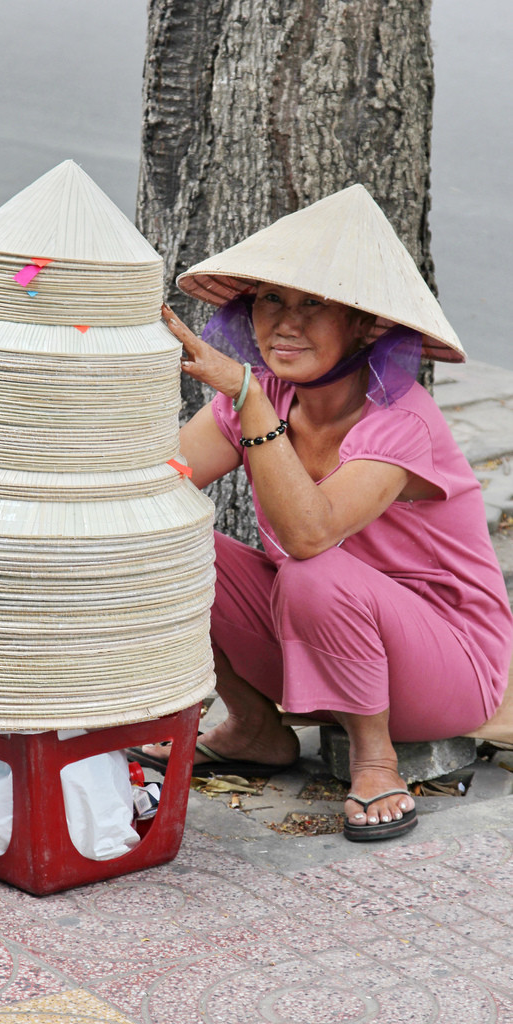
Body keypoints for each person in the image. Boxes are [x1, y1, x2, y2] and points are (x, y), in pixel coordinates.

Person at [139, 185, 513, 842]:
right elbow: (149, 484)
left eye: (315, 304)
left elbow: (310, 535)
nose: (285, 322)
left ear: (364, 325)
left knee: (313, 569)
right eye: (272, 300)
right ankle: (255, 729)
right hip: (317, 641)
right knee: (173, 539)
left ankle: (374, 761)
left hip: (446, 667)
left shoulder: (399, 422)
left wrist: (250, 404)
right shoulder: (264, 397)